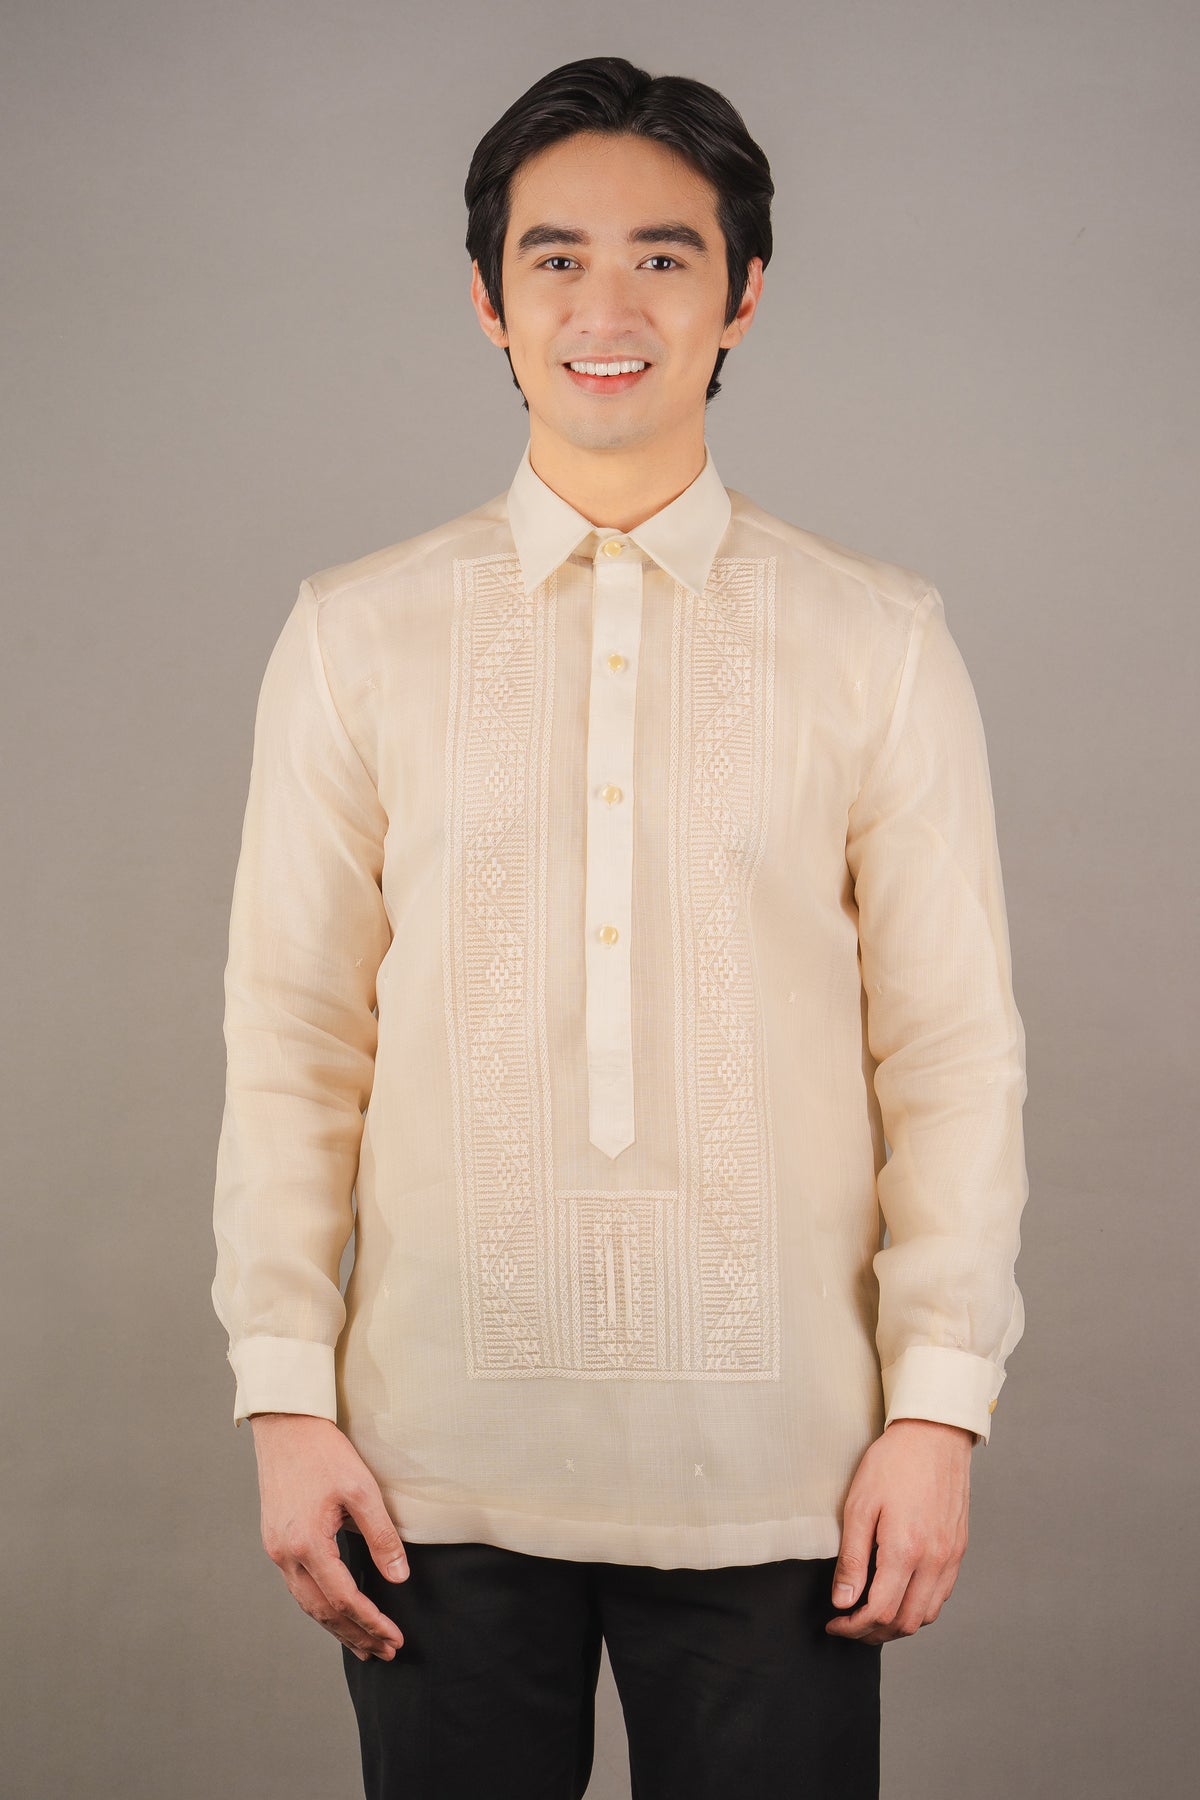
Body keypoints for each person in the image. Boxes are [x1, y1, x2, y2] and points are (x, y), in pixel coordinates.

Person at [212, 54, 1029, 1800]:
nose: (608, 307)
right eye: (555, 258)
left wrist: (937, 1407)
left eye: (665, 257)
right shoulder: (356, 636)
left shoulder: (876, 641)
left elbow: (952, 1053)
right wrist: (284, 1397)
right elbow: (293, 1042)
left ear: (744, 294)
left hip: (785, 1476)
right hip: (428, 1470)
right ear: (488, 302)